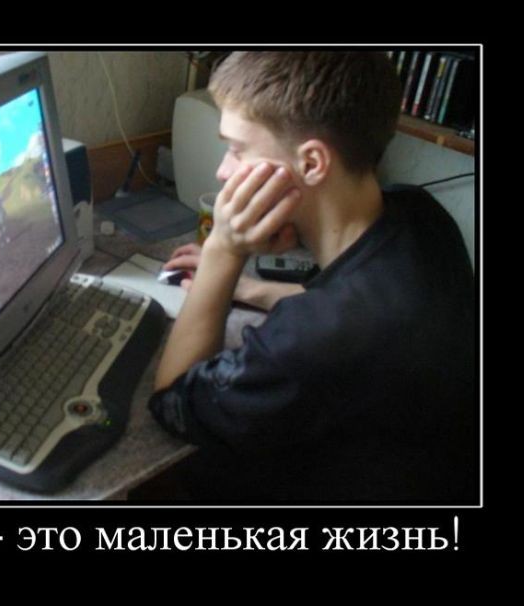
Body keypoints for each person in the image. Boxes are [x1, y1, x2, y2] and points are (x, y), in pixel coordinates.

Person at [147, 51, 477, 503]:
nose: (223, 171)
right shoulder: (420, 213)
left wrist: (224, 252)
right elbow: (358, 299)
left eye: (237, 149)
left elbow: (171, 402)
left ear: (312, 164)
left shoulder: (309, 342)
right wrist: (251, 288)